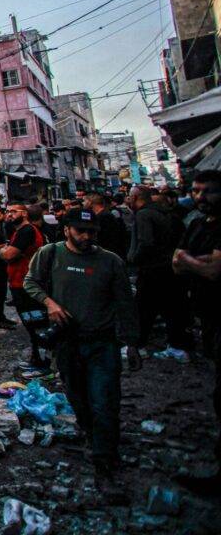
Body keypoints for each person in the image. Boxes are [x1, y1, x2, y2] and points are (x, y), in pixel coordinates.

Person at [23, 209, 140, 487]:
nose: (86, 236)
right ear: (67, 230)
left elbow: (125, 303)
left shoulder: (110, 262)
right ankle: (92, 434)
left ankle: (104, 459)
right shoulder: (50, 254)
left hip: (102, 342)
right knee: (78, 398)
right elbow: (30, 282)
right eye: (80, 231)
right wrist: (49, 303)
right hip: (66, 343)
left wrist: (133, 344)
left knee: (105, 401)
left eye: (91, 232)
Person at [171, 170, 221, 496]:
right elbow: (177, 263)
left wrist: (189, 261)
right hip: (208, 316)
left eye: (208, 191)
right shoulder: (198, 224)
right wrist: (192, 261)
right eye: (195, 190)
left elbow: (213, 270)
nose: (200, 197)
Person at [127, 186, 190, 360]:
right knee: (170, 308)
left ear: (137, 197)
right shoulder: (166, 214)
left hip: (152, 269)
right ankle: (176, 346)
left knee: (143, 308)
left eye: (130, 197)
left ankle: (138, 346)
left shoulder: (144, 215)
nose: (128, 200)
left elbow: (146, 243)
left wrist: (134, 259)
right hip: (169, 268)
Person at [2, 204, 47, 367]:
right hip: (19, 281)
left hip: (26, 283)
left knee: (35, 321)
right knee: (31, 322)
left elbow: (8, 254)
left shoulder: (27, 231)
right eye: (8, 212)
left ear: (25, 214)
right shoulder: (19, 231)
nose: (9, 215)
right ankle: (38, 357)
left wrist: (3, 251)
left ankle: (43, 360)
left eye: (14, 212)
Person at [85, 192, 128, 259]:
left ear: (90, 202)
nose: (83, 203)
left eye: (85, 200)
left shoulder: (104, 217)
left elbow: (106, 239)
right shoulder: (103, 215)